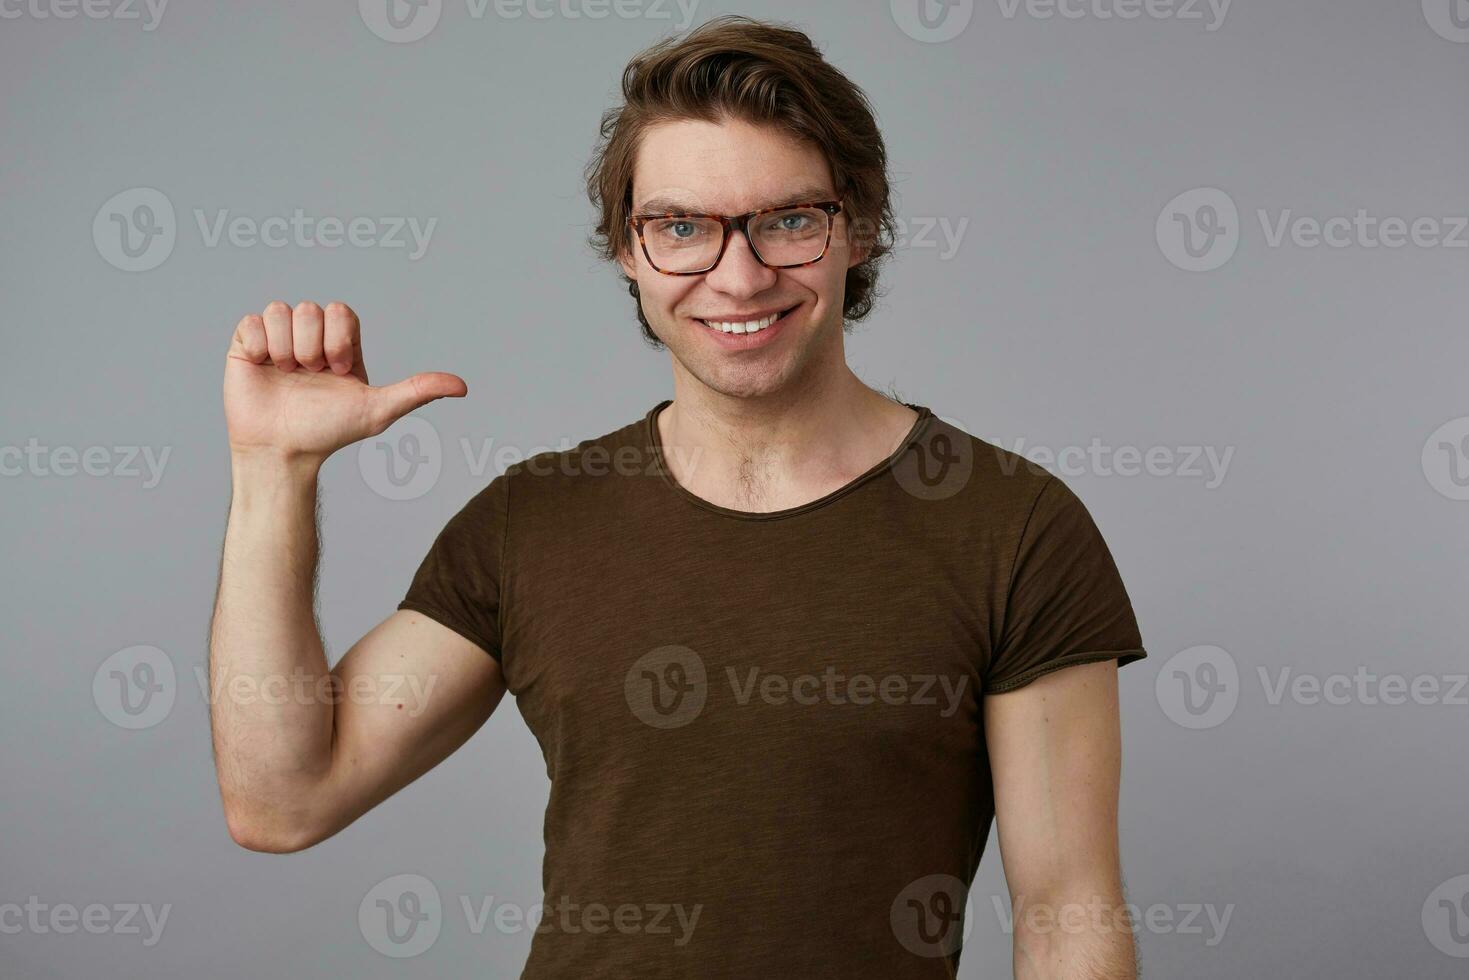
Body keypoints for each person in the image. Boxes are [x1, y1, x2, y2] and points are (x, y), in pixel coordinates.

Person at [209, 15, 1148, 978]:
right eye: (683, 227)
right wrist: (271, 474)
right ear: (626, 246)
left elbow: (1066, 912)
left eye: (788, 220)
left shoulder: (1014, 527)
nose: (738, 278)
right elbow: (283, 801)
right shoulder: (530, 523)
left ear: (858, 226)